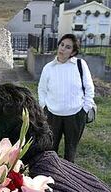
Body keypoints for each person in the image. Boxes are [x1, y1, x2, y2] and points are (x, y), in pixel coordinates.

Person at [38, 33, 95, 163]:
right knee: (51, 149)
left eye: (68, 47)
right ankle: (52, 175)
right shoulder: (48, 68)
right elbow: (42, 89)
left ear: (73, 52)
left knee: (70, 151)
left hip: (75, 115)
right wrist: (44, 107)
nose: (63, 49)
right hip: (52, 115)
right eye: (62, 45)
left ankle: (68, 176)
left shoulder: (80, 65)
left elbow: (89, 88)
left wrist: (85, 109)